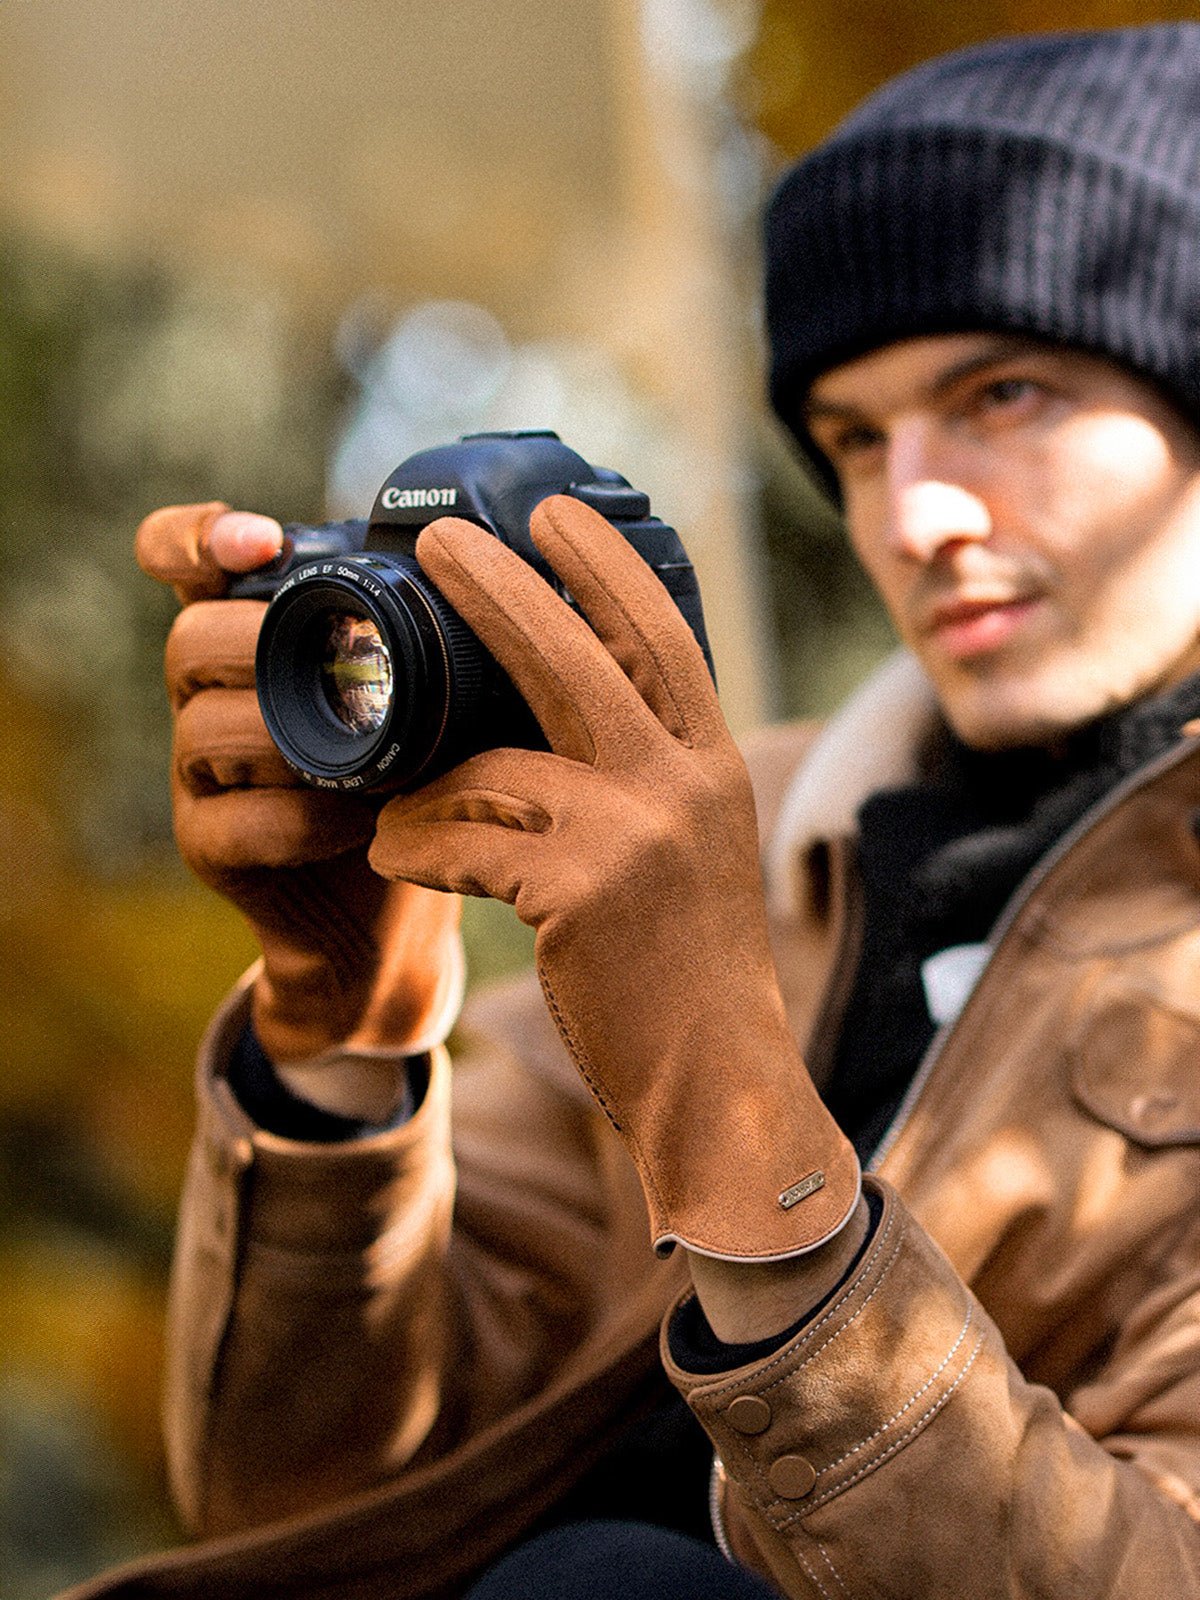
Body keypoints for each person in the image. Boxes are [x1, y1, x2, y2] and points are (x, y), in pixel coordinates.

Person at [72, 23, 1200, 1600]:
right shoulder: (755, 817)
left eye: (1004, 394)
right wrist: (342, 1031)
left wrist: (743, 1128)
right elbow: (309, 1500)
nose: (916, 511)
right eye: (858, 439)